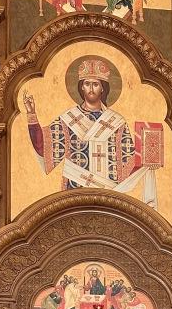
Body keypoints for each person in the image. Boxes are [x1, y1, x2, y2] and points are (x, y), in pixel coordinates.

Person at [23, 58, 160, 206]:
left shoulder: (117, 122)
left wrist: (148, 160)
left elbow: (128, 162)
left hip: (108, 194)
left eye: (95, 84)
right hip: (74, 193)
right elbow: (44, 146)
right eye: (87, 84)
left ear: (103, 88)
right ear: (81, 87)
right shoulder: (68, 119)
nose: (91, 88)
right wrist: (31, 114)